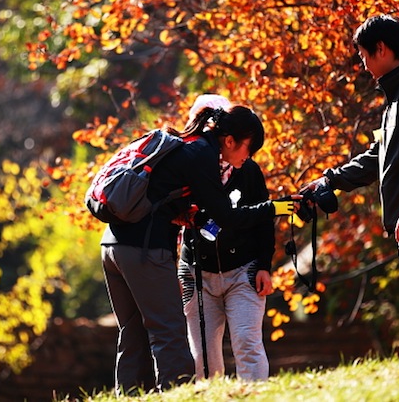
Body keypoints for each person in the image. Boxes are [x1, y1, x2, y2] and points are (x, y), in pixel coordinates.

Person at [100, 103, 299, 394]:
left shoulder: (183, 145)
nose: (248, 157)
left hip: (113, 244)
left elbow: (167, 199)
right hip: (145, 248)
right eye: (248, 148)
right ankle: (178, 396)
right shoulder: (203, 155)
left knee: (133, 332)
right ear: (229, 140)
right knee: (169, 331)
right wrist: (272, 208)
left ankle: (128, 396)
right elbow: (226, 217)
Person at [301, 14, 399, 355]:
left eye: (363, 55)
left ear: (382, 49)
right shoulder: (397, 97)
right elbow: (379, 157)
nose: (362, 65)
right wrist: (330, 179)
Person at [177, 94, 275, 381]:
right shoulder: (190, 165)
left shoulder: (249, 171)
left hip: (244, 270)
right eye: (249, 147)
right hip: (197, 274)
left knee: (247, 344)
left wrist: (265, 265)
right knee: (203, 361)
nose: (250, 155)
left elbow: (264, 220)